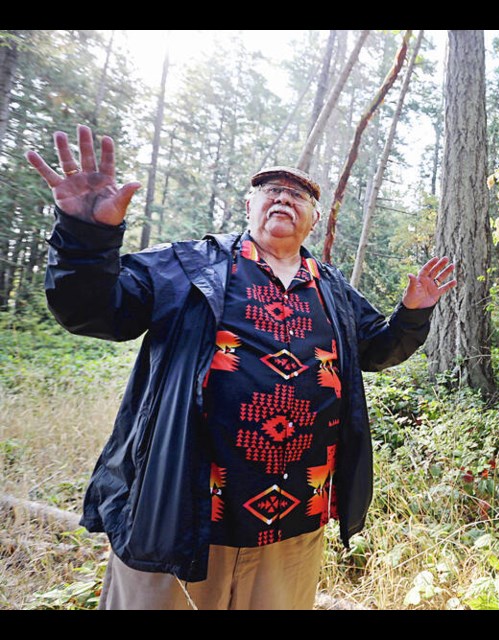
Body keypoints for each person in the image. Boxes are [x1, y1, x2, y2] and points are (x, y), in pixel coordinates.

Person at [25, 124, 456, 610]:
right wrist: (87, 238)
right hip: (181, 514)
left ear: (315, 218)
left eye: (298, 195)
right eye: (270, 191)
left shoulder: (331, 288)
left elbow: (376, 350)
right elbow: (95, 311)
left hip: (293, 524)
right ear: (248, 206)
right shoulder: (188, 266)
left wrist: (413, 312)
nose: (283, 199)